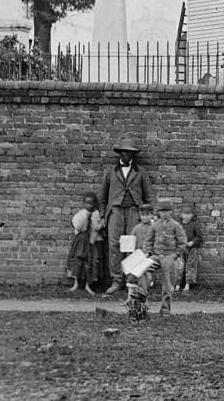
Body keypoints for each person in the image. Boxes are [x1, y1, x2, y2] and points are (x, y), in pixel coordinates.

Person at [98, 135, 154, 295]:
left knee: (132, 244)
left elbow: (149, 194)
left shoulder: (141, 172)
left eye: (129, 153)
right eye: (124, 152)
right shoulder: (110, 172)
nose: (126, 155)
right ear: (120, 153)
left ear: (133, 155)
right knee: (114, 244)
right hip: (115, 211)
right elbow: (102, 196)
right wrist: (102, 215)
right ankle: (117, 280)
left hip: (134, 211)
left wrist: (153, 214)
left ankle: (132, 279)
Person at [145, 198, 188, 315]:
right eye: (162, 211)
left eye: (167, 211)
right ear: (158, 212)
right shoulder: (154, 225)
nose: (164, 213)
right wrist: (148, 253)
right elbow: (148, 241)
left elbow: (182, 242)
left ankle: (165, 309)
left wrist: (176, 255)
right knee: (143, 270)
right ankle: (141, 304)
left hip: (169, 256)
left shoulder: (176, 225)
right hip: (156, 255)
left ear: (171, 212)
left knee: (167, 284)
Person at [66, 191, 104, 294]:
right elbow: (77, 226)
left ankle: (88, 284)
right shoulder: (81, 214)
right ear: (83, 203)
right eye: (87, 203)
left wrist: (100, 224)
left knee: (90, 262)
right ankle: (76, 283)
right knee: (78, 260)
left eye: (91, 203)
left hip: (92, 242)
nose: (89, 205)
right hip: (81, 242)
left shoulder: (96, 214)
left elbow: (97, 227)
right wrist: (85, 217)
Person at [175, 205, 205, 293]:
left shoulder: (194, 224)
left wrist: (192, 242)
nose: (186, 216)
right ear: (181, 215)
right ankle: (177, 284)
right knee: (179, 267)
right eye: (184, 214)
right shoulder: (178, 225)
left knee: (190, 266)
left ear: (192, 215)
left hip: (191, 249)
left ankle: (187, 284)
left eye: (189, 214)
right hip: (180, 249)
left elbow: (199, 237)